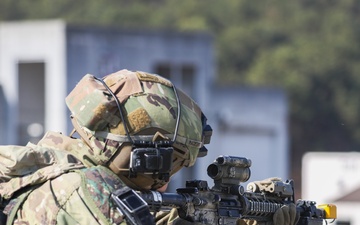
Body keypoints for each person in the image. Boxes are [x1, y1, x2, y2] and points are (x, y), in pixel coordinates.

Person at [0, 69, 297, 225]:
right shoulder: (86, 191)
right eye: (172, 162)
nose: (168, 178)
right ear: (141, 156)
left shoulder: (49, 171)